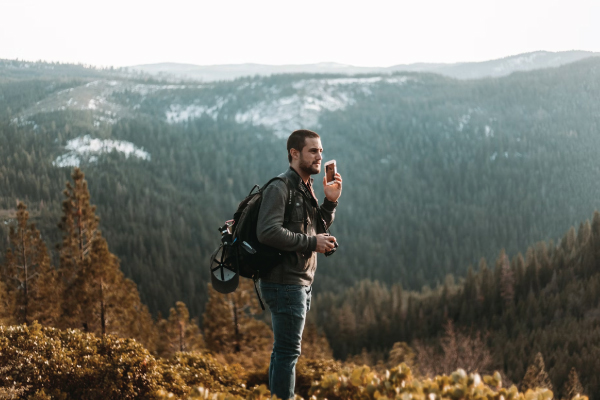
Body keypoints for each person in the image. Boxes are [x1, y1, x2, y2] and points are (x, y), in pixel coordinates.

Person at [257, 129, 342, 399]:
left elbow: (317, 226)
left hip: (298, 283)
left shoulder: (305, 187)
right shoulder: (280, 187)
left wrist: (330, 201)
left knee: (283, 351)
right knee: (288, 352)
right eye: (313, 151)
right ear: (295, 153)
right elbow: (267, 231)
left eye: (321, 151)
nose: (320, 156)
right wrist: (310, 243)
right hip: (284, 283)